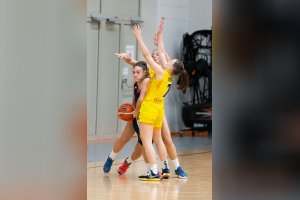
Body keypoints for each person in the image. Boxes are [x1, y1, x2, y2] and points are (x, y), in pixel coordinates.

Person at [132, 21, 189, 180]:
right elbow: (162, 51)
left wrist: (139, 37)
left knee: (147, 141)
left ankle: (153, 171)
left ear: (171, 66)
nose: (167, 59)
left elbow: (146, 55)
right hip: (158, 110)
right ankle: (164, 169)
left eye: (170, 61)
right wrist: (161, 32)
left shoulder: (160, 72)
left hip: (150, 108)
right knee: (157, 140)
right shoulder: (169, 74)